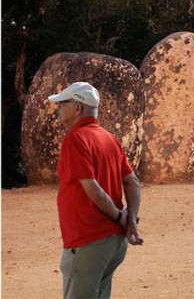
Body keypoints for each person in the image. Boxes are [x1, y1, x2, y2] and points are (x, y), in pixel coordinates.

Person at [49, 80, 143, 299]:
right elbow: (132, 183)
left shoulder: (75, 139)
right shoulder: (110, 139)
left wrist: (121, 216)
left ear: (77, 108)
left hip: (87, 240)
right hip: (113, 244)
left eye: (63, 103)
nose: (59, 108)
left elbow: (93, 189)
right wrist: (131, 221)